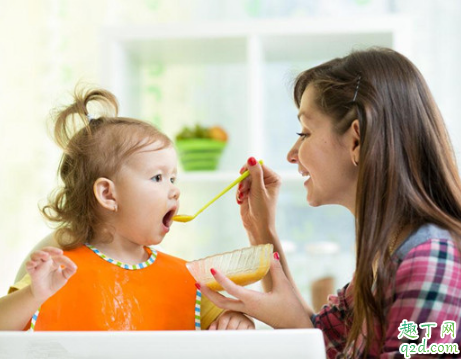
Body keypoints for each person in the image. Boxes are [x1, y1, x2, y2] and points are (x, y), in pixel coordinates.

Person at [197, 47, 461, 358]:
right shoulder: (382, 261)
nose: (292, 153)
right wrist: (261, 231)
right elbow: (319, 340)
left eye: (304, 132)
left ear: (357, 140)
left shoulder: (429, 259)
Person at [0, 87, 254, 331]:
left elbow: (227, 328)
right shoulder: (59, 271)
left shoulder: (186, 279)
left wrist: (237, 321)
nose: (174, 189)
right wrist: (34, 294)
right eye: (157, 178)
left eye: (173, 178)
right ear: (107, 194)